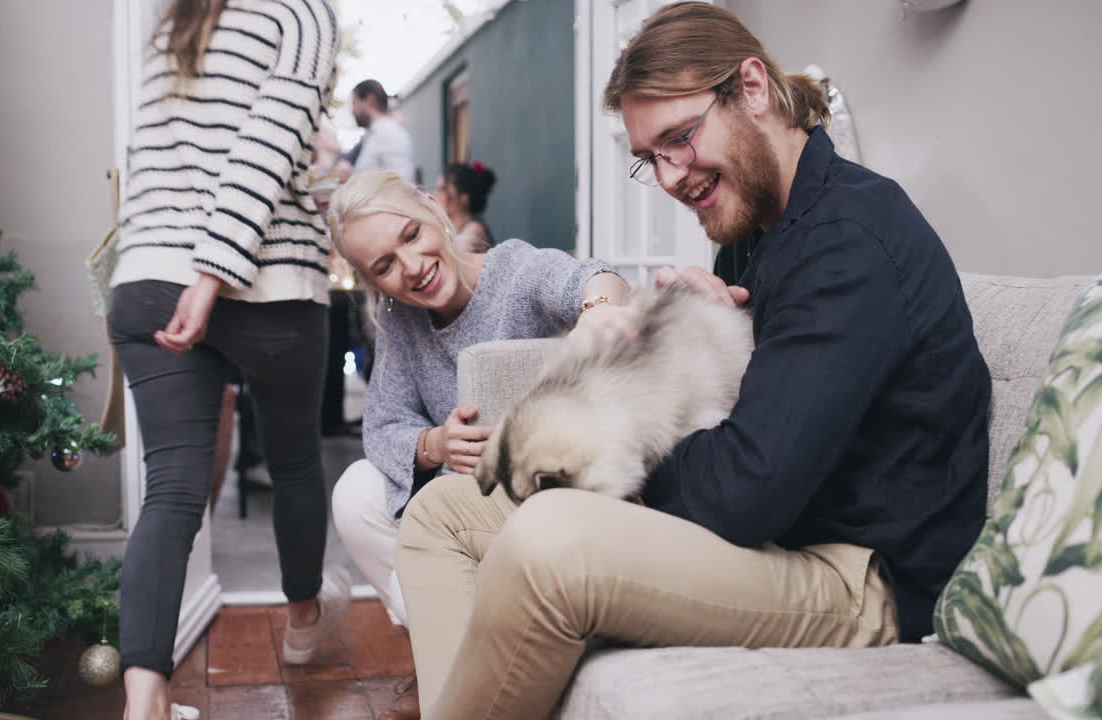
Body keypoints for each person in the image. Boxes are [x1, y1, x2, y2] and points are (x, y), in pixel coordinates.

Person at [394, 3, 992, 718]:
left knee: (550, 538)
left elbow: (747, 491)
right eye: (651, 158)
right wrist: (693, 331)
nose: (673, 176)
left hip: (860, 573)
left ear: (753, 88)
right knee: (443, 517)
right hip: (786, 532)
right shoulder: (756, 229)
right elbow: (750, 410)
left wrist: (600, 473)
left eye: (681, 137)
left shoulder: (847, 239)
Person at [106, 2, 345, 719]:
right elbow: (268, 146)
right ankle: (303, 623)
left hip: (145, 274)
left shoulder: (175, 14)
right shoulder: (300, 11)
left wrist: (172, 269)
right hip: (267, 280)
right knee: (296, 459)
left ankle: (144, 700)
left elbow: (149, 162)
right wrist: (211, 275)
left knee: (171, 491)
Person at [325, 170, 631, 720]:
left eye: (410, 236)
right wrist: (437, 443)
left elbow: (593, 277)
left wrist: (598, 311)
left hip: (551, 493)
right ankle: (466, 654)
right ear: (372, 283)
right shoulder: (399, 321)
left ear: (433, 209)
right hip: (463, 501)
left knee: (428, 530)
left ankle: (467, 664)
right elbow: (383, 425)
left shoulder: (514, 269)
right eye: (384, 267)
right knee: (354, 491)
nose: (411, 268)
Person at [337, 79, 416, 183]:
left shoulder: (390, 134)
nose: (353, 111)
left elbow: (402, 184)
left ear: (370, 100)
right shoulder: (373, 135)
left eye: (355, 103)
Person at [434, 162, 497, 254]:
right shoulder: (454, 228)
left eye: (443, 189)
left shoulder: (474, 230)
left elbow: (457, 261)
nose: (436, 195)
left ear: (464, 198)